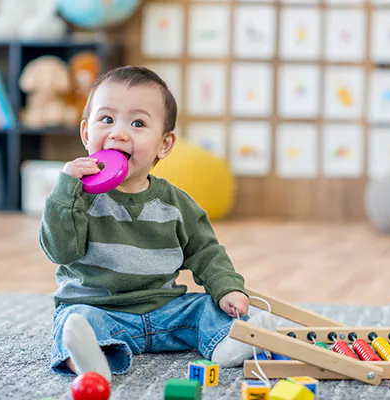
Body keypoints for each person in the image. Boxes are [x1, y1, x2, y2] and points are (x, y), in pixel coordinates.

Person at [39, 66, 276, 382]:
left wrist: (227, 288)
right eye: (106, 119)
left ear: (164, 145)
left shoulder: (176, 203)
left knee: (205, 309)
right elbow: (61, 251)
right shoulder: (76, 198)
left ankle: (231, 340)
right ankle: (90, 360)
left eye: (137, 123)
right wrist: (65, 191)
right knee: (76, 319)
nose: (118, 133)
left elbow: (206, 251)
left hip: (167, 312)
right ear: (86, 134)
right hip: (102, 309)